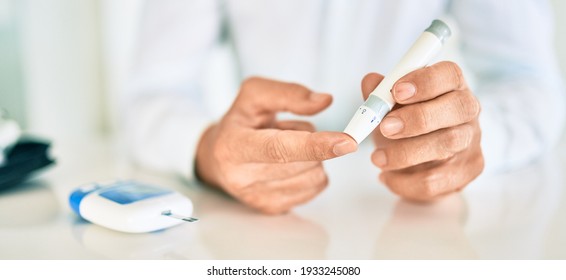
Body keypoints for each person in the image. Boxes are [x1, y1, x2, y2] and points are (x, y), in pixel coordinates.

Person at [125, 0, 565, 214]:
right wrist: (207, 151)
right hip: (260, 216)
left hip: (403, 217)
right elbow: (154, 91)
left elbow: (527, 78)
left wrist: (472, 139)